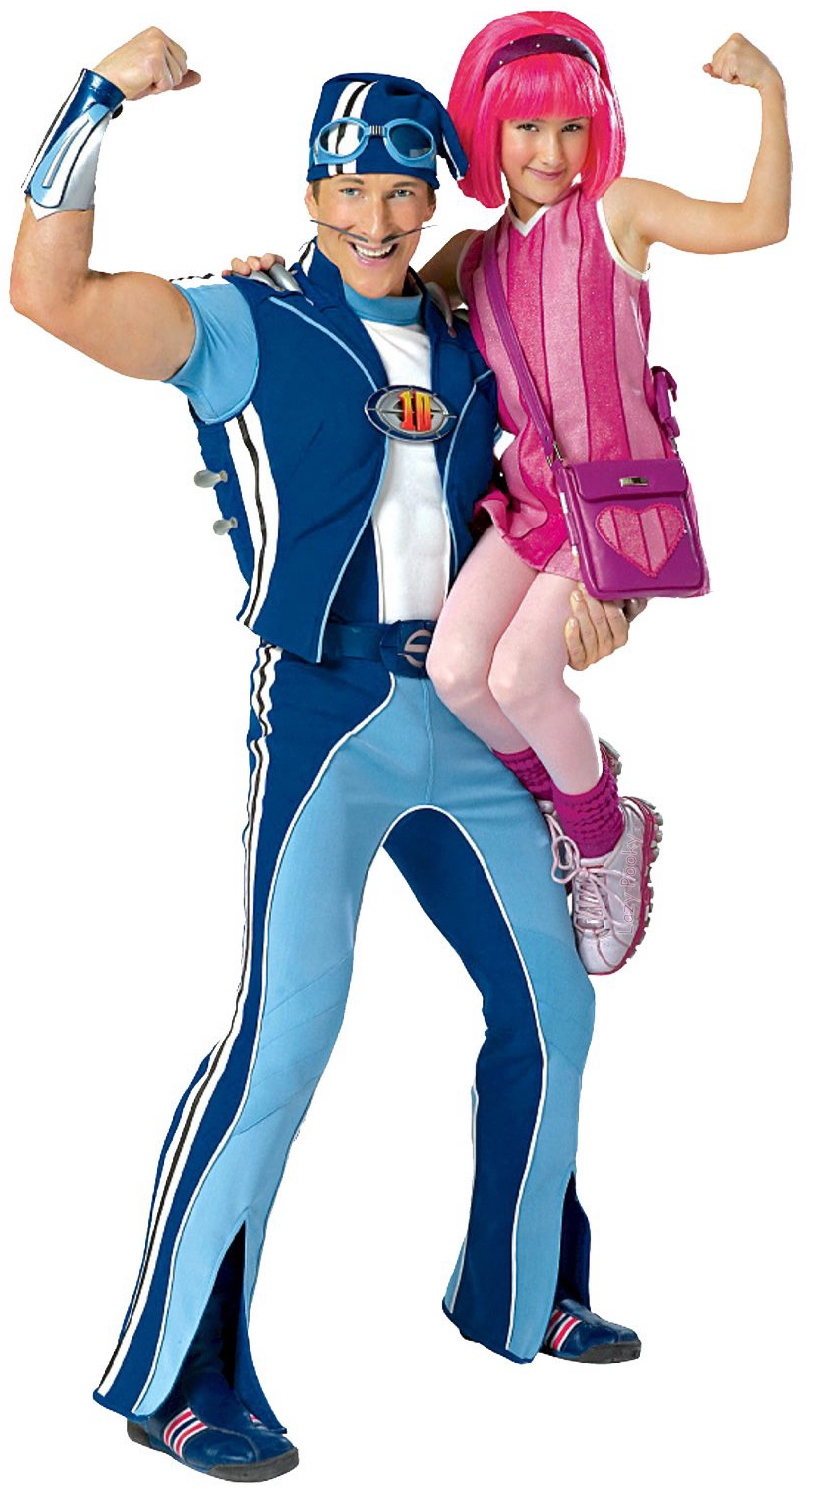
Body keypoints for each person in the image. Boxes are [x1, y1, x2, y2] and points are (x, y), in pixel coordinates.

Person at [13, 28, 649, 1486]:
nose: (372, 216)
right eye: (346, 188)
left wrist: (605, 590)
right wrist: (95, 101)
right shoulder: (245, 323)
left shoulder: (476, 336)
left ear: (433, 197)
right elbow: (47, 294)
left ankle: (519, 1289)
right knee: (284, 1035)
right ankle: (178, 1376)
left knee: (551, 1006)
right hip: (323, 715)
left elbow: (563, 469)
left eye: (400, 190)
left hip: (469, 714)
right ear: (308, 192)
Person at [415, 14, 789, 976]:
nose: (551, 152)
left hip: (614, 506)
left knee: (517, 679)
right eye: (526, 128)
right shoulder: (469, 258)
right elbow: (373, 304)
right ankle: (580, 798)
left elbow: (761, 223)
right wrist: (272, 276)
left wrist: (771, 93)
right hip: (530, 503)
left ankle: (604, 839)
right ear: (488, 132)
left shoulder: (618, 211)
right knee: (455, 672)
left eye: (571, 127)